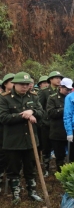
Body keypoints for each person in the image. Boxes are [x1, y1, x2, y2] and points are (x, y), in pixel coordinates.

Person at [0, 72, 45, 203]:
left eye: (27, 84)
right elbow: (3, 117)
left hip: (30, 140)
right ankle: (16, 193)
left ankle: (32, 191)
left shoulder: (33, 96)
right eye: (22, 85)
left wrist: (33, 112)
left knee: (30, 168)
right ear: (14, 84)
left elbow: (41, 112)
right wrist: (22, 115)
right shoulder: (5, 98)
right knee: (13, 169)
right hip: (13, 141)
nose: (25, 87)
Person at [38, 71, 64, 177]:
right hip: (47, 123)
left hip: (58, 124)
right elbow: (40, 107)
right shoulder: (44, 91)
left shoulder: (62, 91)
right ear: (50, 80)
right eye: (56, 78)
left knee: (59, 148)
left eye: (60, 78)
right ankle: (46, 168)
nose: (58, 80)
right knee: (46, 147)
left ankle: (60, 169)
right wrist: (44, 121)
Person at [47, 78, 73, 172]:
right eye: (67, 89)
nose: (68, 91)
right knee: (59, 156)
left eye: (70, 90)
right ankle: (61, 173)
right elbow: (51, 113)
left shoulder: (72, 97)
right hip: (57, 131)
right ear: (61, 87)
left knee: (72, 154)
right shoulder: (52, 98)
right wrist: (66, 109)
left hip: (70, 130)